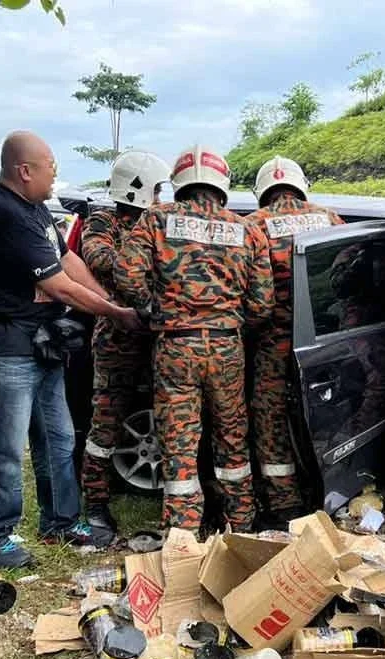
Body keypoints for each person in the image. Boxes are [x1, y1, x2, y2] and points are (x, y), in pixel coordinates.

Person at [0, 130, 143, 568]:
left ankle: (60, 521)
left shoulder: (34, 208)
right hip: (3, 344)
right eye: (49, 165)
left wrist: (111, 300)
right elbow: (56, 284)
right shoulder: (3, 212)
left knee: (58, 437)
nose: (55, 173)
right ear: (24, 171)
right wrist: (114, 314)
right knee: (5, 446)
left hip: (38, 343)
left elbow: (68, 261)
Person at [117, 144, 274, 534]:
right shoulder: (248, 230)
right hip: (227, 348)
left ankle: (183, 537)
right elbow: (263, 303)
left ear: (178, 183)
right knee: (232, 440)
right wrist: (231, 324)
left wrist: (155, 309)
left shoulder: (156, 219)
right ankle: (241, 526)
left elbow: (126, 275)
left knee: (180, 446)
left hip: (175, 346)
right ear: (223, 184)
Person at [245, 156, 345, 524]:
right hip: (325, 341)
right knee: (329, 413)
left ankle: (283, 502)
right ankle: (333, 492)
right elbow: (348, 277)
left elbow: (248, 290)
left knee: (270, 420)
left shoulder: (254, 225)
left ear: (263, 191)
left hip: (273, 341)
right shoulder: (330, 219)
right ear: (301, 185)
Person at [79, 150, 170, 536]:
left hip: (159, 336)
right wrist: (144, 260)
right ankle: (96, 504)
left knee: (168, 417)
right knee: (106, 423)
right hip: (118, 336)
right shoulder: (104, 219)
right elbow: (97, 256)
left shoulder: (160, 221)